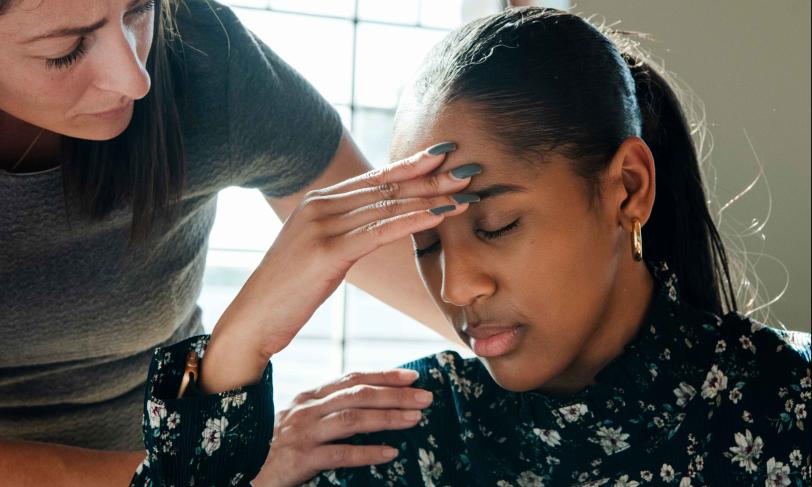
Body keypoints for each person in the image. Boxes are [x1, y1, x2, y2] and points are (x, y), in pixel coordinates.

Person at [133, 6, 811, 487]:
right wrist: (239, 345)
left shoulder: (790, 402)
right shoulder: (393, 436)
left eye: (496, 225)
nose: (454, 288)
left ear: (627, 189)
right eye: (425, 243)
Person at [0, 0, 475, 484]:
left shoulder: (200, 50)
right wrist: (215, 462)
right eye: (66, 49)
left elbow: (400, 249)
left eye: (139, 10)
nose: (136, 80)